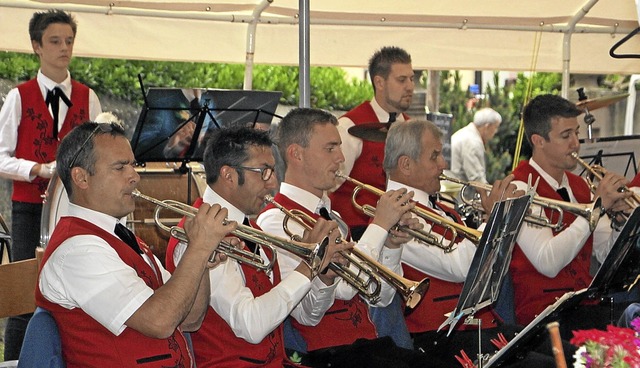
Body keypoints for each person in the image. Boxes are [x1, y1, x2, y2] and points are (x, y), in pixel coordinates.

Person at [35, 122, 230, 366]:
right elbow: (159, 322)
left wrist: (200, 259)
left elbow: (190, 319)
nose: (135, 177)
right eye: (120, 168)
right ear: (81, 177)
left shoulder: (122, 238)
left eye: (133, 165)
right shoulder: (78, 250)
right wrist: (199, 249)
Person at [257, 108, 435, 367]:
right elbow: (334, 296)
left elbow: (378, 297)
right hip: (324, 353)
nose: (341, 158)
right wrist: (379, 226)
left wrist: (392, 245)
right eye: (330, 149)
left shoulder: (334, 216)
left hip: (365, 346)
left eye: (339, 147)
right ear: (296, 154)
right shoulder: (274, 221)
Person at [165, 126, 349, 367]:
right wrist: (308, 267)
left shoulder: (253, 229)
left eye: (272, 172)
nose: (272, 183)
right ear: (229, 175)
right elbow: (251, 325)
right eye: (263, 172)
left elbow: (307, 316)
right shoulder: (199, 234)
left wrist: (324, 276)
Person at [383, 119, 557, 367]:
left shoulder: (440, 209)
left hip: (476, 328)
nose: (443, 164)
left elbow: (491, 269)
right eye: (434, 156)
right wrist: (492, 217)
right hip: (439, 338)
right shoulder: (397, 215)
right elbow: (460, 267)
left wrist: (503, 219)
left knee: (569, 351)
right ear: (406, 165)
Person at [0, 9, 101, 360]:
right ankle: (15, 360)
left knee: (75, 291)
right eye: (55, 41)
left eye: (69, 41)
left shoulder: (89, 97)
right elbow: (0, 157)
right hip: (29, 207)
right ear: (36, 46)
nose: (64, 48)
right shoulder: (19, 96)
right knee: (26, 294)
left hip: (77, 210)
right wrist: (39, 170)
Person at [510, 94, 632, 333]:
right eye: (566, 136)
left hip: (582, 307)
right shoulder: (520, 189)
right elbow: (548, 262)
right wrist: (596, 208)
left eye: (576, 133)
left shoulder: (579, 186)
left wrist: (619, 222)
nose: (576, 143)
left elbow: (604, 254)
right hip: (543, 317)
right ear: (539, 141)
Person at [330, 46, 415, 240]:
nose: (410, 86)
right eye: (401, 80)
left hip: (403, 234)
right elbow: (329, 185)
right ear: (379, 82)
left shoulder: (412, 128)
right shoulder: (349, 126)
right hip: (356, 235)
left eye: (411, 78)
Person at [446, 107, 502, 183]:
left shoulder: (466, 134)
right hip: (457, 191)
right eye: (495, 127)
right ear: (487, 126)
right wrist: (488, 194)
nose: (496, 131)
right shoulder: (472, 141)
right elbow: (477, 179)